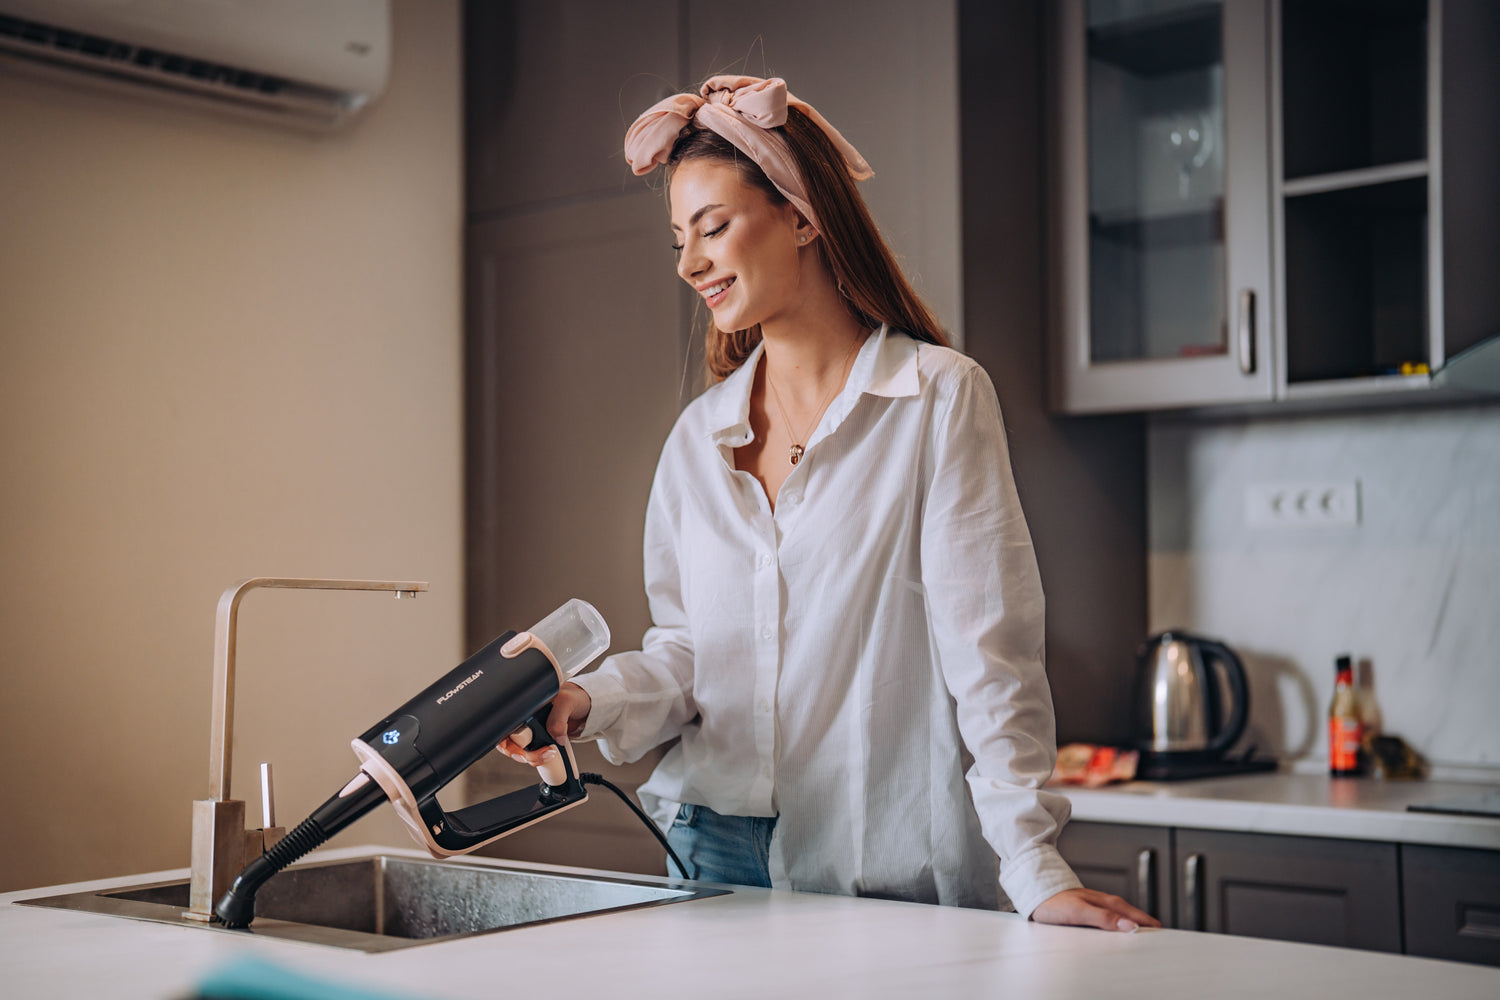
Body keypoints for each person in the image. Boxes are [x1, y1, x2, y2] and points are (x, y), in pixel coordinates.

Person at [500, 75, 1156, 932]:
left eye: (715, 227)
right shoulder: (699, 440)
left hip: (874, 856)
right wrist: (584, 704)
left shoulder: (937, 400)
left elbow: (990, 658)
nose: (691, 263)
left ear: (804, 217)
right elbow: (692, 654)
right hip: (706, 851)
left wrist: (1036, 872)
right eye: (678, 241)